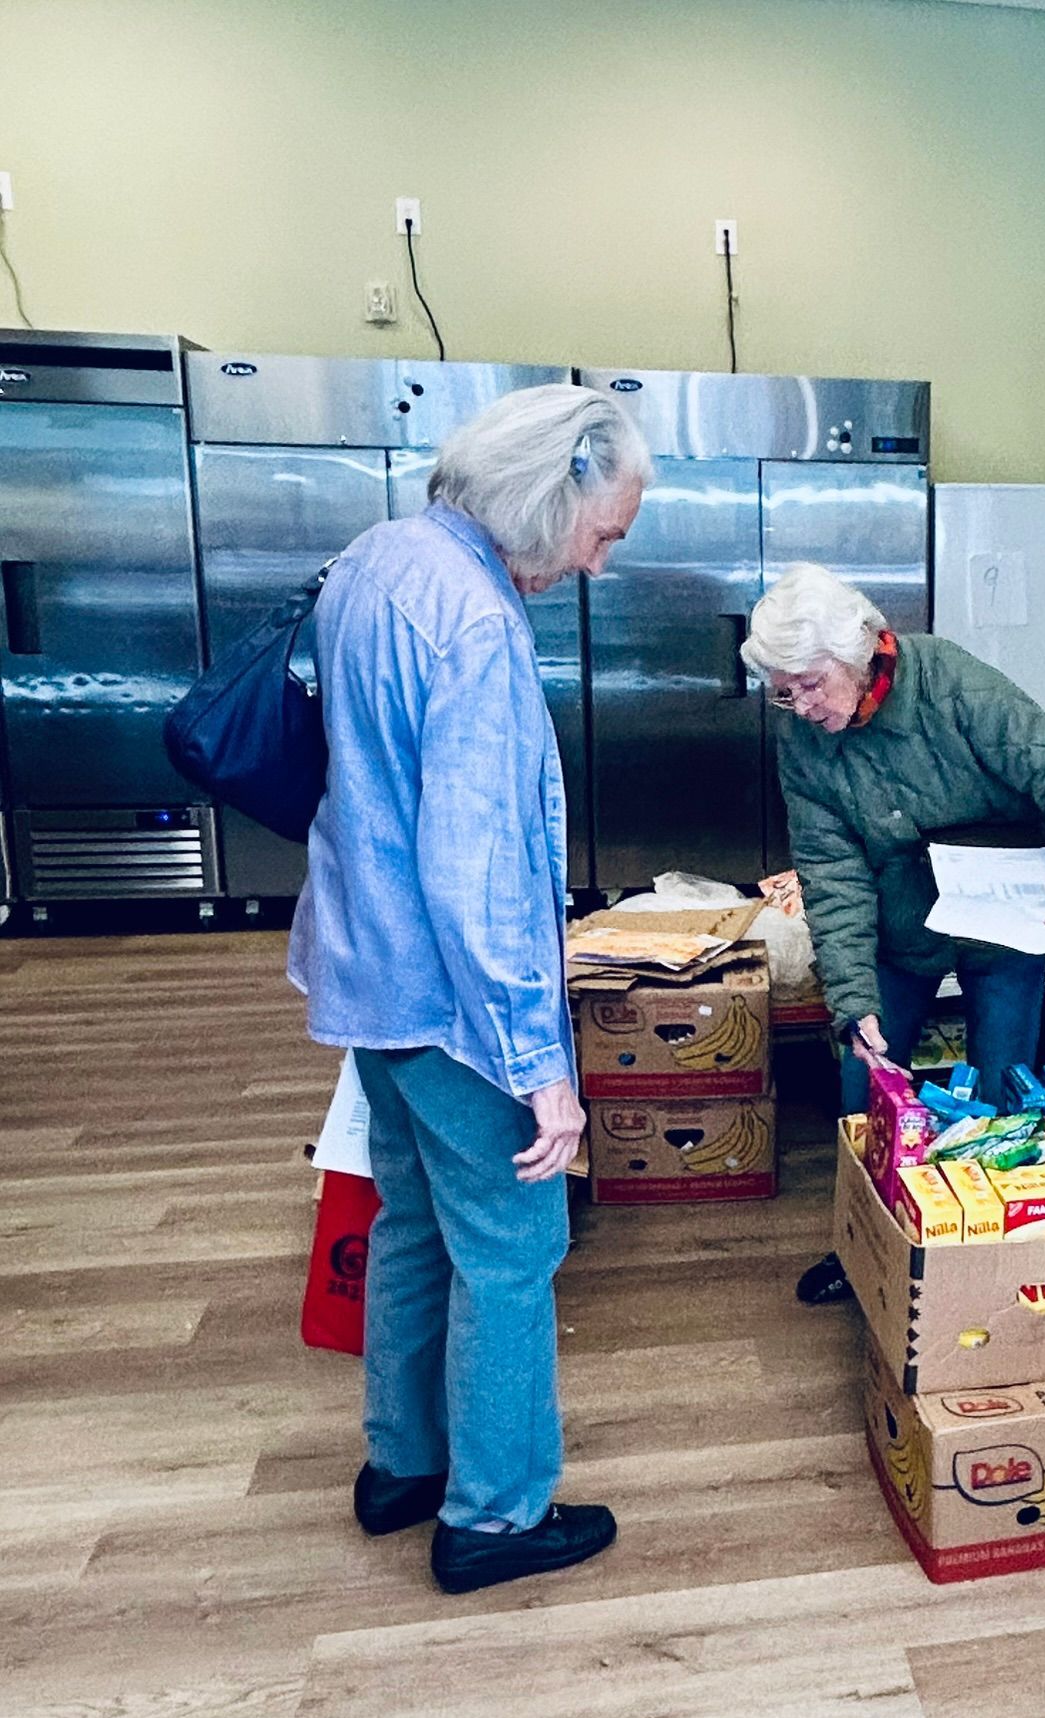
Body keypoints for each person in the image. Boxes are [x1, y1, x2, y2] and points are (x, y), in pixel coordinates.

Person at [289, 384, 650, 1593]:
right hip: (452, 1004)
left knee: (413, 1224)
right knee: (511, 1247)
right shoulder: (479, 626)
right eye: (604, 535)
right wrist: (543, 1071)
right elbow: (482, 877)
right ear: (554, 494)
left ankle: (402, 1467)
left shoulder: (374, 560)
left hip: (368, 977)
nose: (598, 566)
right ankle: (492, 1518)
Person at [742, 563, 1045, 1306]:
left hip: (1006, 909)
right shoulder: (805, 736)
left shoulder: (952, 685)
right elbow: (831, 868)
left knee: (1003, 1088)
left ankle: (997, 1260)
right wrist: (853, 1000)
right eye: (784, 691)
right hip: (901, 914)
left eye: (811, 684)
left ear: (856, 653)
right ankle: (864, 1251)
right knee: (865, 1077)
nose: (801, 706)